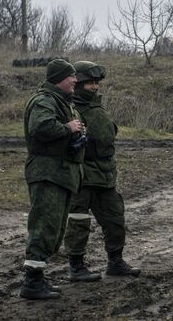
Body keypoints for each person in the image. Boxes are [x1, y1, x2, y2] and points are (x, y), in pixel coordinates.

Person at [63, 61, 140, 282]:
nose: (95, 87)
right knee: (78, 220)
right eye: (89, 84)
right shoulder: (70, 109)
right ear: (78, 84)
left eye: (96, 83)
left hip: (105, 173)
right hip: (83, 175)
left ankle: (115, 262)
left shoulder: (96, 106)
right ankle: (76, 267)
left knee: (115, 218)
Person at [20, 58, 86, 300]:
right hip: (47, 174)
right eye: (71, 77)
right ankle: (32, 283)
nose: (75, 81)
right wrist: (68, 128)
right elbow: (41, 128)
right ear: (59, 78)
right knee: (43, 226)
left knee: (53, 229)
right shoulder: (44, 101)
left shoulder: (60, 102)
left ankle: (37, 280)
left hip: (59, 174)